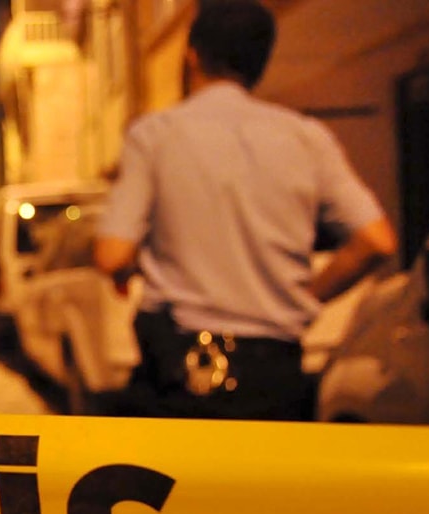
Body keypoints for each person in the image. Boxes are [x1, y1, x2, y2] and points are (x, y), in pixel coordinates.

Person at [93, 0, 397, 421]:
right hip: (277, 374)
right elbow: (377, 241)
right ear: (260, 63)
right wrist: (304, 299)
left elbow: (112, 253)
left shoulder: (155, 135)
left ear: (192, 54)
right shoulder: (307, 137)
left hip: (182, 371)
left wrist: (132, 268)